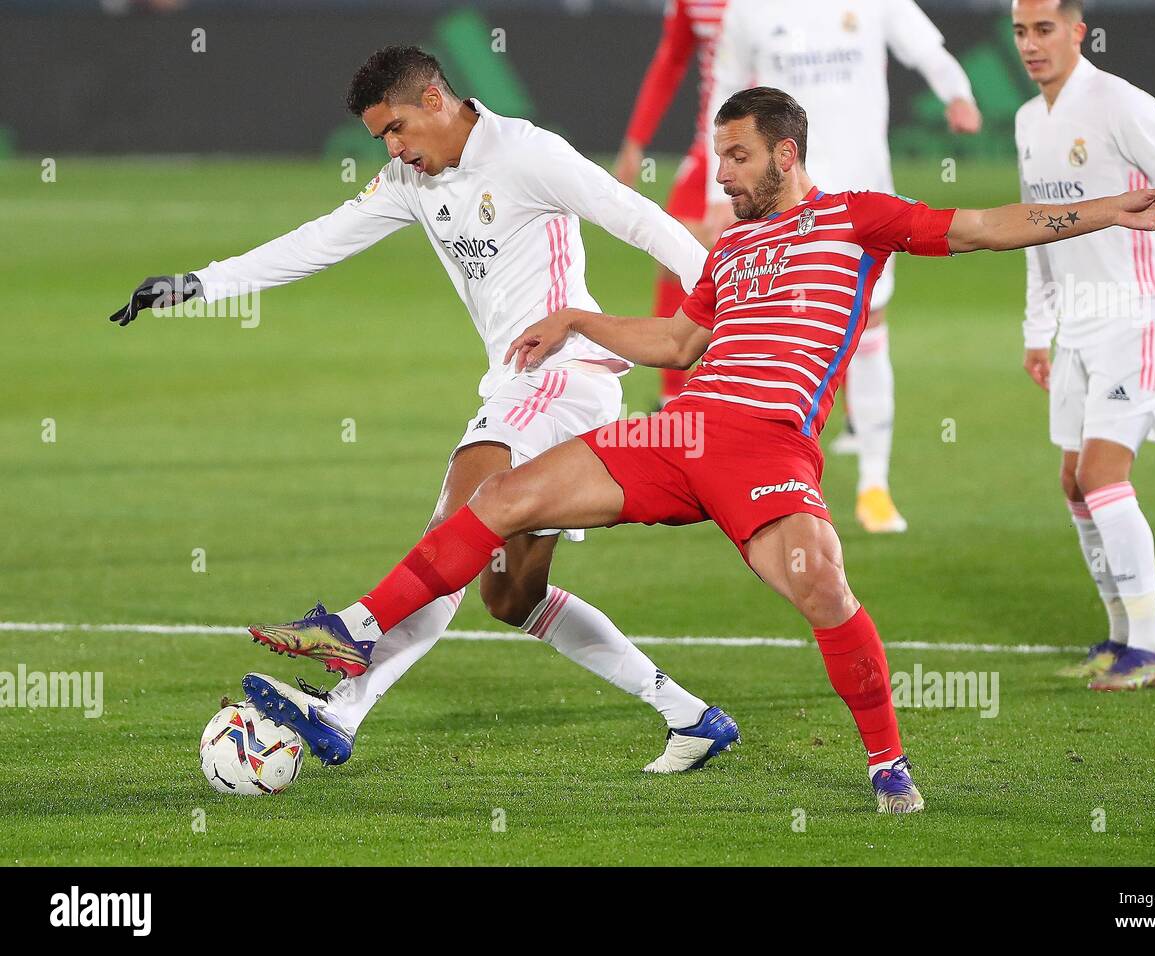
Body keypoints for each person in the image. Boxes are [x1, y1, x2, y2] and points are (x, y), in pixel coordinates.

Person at [245, 87, 1155, 812]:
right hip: (682, 430)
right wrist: (577, 319)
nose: (723, 175)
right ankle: (359, 627)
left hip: (766, 445)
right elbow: (678, 346)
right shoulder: (729, 256)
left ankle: (888, 762)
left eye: (736, 158)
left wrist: (1114, 209)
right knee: (503, 500)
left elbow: (987, 227)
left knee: (821, 582)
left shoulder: (856, 219)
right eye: (718, 158)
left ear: (786, 152)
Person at [107, 45, 738, 773]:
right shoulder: (412, 179)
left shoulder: (529, 153)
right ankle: (689, 715)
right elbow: (320, 241)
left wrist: (725, 308)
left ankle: (345, 693)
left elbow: (641, 220)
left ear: (436, 100)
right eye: (383, 138)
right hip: (518, 384)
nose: (395, 149)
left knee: (460, 520)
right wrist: (200, 283)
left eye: (398, 129)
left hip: (565, 375)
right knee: (510, 594)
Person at [705, 0, 983, 532]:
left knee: (870, 327)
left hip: (862, 202)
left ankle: (873, 486)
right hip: (782, 201)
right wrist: (712, 188)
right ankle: (773, 481)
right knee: (779, 332)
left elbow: (926, 47)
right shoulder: (749, 11)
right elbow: (723, 93)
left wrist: (957, 93)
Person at [1011, 0, 1155, 691]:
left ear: (1076, 31)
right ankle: (1120, 635)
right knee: (1073, 482)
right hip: (1076, 330)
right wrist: (1037, 330)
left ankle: (1153, 651)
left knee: (1103, 475)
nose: (1031, 44)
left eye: (1045, 29)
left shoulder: (1120, 103)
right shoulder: (1026, 121)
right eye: (1020, 31)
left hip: (1138, 320)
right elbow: (1038, 232)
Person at [613, 0, 730, 410]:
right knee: (671, 248)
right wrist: (636, 139)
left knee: (816, 253)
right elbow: (672, 58)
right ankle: (674, 399)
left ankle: (852, 408)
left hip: (780, 142)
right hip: (713, 144)